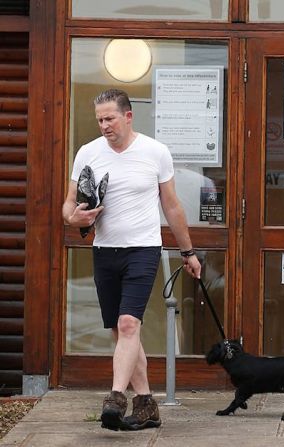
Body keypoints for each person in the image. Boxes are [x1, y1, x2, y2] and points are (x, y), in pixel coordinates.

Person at [61, 89, 202, 431]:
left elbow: (171, 206)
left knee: (128, 325)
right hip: (104, 250)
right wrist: (73, 218)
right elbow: (68, 206)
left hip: (143, 249)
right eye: (99, 120)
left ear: (128, 116)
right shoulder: (88, 153)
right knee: (120, 330)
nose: (104, 125)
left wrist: (188, 252)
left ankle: (115, 398)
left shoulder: (155, 152)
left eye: (109, 118)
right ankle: (146, 405)